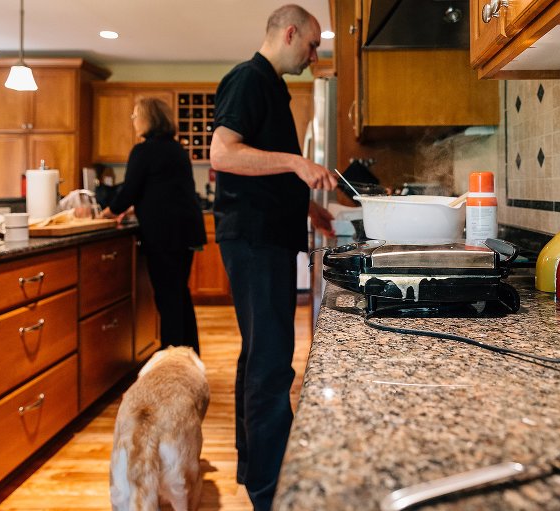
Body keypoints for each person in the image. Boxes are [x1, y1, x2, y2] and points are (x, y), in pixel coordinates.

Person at [209, 5, 337, 510]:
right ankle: (270, 492)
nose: (313, 54)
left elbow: (262, 171)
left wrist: (306, 204)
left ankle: (256, 468)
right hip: (256, 241)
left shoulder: (270, 87)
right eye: (311, 45)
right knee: (269, 364)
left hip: (267, 237)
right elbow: (223, 154)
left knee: (258, 355)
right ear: (291, 33)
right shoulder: (248, 78)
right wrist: (296, 161)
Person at [101, 97, 207, 355]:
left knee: (168, 297)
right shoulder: (176, 149)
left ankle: (171, 358)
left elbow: (130, 190)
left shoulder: (144, 150)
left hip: (164, 233)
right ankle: (189, 354)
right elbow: (163, 190)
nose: (134, 120)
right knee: (179, 293)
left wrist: (109, 211)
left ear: (148, 118)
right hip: (185, 230)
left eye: (136, 115)